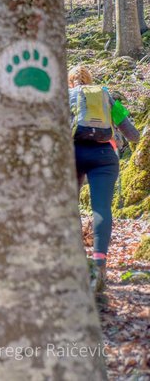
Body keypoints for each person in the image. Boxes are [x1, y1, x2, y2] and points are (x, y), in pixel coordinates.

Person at [68, 65, 140, 292]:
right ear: (91, 81)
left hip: (73, 153)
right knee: (101, 209)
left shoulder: (66, 96)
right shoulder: (105, 95)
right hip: (104, 156)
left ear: (71, 82)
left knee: (70, 207)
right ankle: (99, 265)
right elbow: (133, 134)